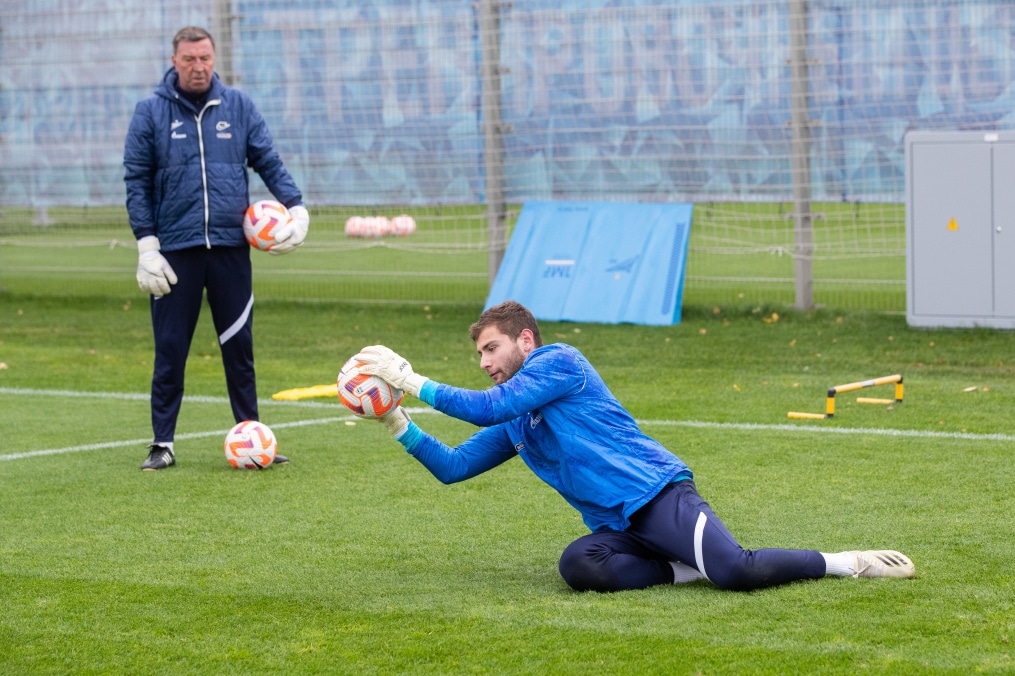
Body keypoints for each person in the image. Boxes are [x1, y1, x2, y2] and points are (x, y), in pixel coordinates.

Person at [351, 300, 915, 592]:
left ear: (525, 340)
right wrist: (398, 422)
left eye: (492, 349)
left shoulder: (560, 362)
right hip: (618, 529)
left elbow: (486, 405)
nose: (485, 363)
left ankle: (849, 563)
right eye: (479, 355)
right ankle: (688, 571)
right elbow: (454, 467)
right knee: (579, 566)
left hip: (660, 496)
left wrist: (408, 376)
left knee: (739, 573)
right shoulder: (519, 420)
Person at [124, 26, 309, 471]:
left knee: (238, 347)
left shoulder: (239, 106)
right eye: (189, 59)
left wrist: (297, 209)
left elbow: (268, 160)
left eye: (204, 57)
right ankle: (162, 444)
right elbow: (136, 181)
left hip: (230, 250)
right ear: (175, 61)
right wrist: (147, 247)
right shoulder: (150, 112)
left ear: (213, 57)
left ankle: (253, 437)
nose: (198, 65)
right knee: (170, 349)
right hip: (175, 252)